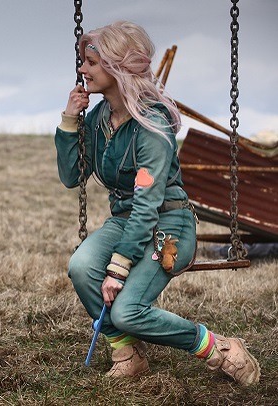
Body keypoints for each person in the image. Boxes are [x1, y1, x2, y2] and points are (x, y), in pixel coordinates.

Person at [55, 21, 260, 385]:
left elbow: (148, 207)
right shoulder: (101, 117)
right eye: (83, 62)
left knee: (129, 311)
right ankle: (127, 352)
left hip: (168, 227)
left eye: (91, 62)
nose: (82, 70)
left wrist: (119, 267)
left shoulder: (152, 125)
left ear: (118, 69)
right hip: (126, 222)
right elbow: (73, 176)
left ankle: (218, 347)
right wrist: (71, 119)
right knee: (82, 266)